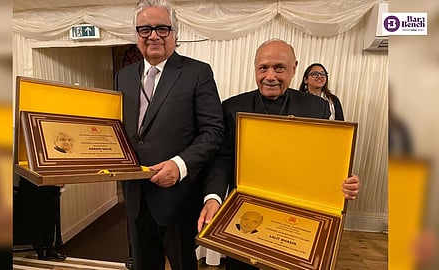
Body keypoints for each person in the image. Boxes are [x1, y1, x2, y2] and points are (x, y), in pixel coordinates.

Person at [197, 39, 360, 270]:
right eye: (263, 68)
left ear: (294, 68)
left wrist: (344, 181)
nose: (270, 76)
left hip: (296, 219)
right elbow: (222, 161)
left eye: (279, 68)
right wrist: (213, 198)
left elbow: (324, 161)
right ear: (255, 68)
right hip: (245, 212)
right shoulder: (232, 107)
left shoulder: (317, 108)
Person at [114, 0, 224, 269]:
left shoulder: (197, 72)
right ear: (136, 34)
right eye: (145, 29)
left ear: (175, 33)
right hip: (135, 198)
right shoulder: (123, 76)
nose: (153, 35)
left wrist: (180, 164)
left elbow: (213, 132)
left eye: (162, 28)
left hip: (178, 198)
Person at [16, 177, 66, 261]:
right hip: (32, 188)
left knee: (51, 219)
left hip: (50, 186)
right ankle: (40, 253)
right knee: (35, 220)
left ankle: (49, 249)